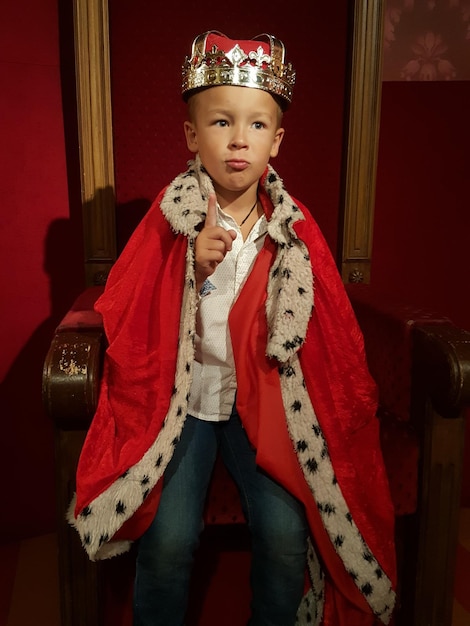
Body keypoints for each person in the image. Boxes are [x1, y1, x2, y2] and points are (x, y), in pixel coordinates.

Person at [69, 31, 397, 626]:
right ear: (193, 135)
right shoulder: (172, 221)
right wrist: (184, 268)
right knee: (169, 542)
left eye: (256, 126)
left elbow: (333, 338)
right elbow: (128, 300)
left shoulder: (292, 233)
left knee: (283, 535)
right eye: (221, 122)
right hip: (187, 404)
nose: (239, 139)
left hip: (261, 406)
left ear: (277, 140)